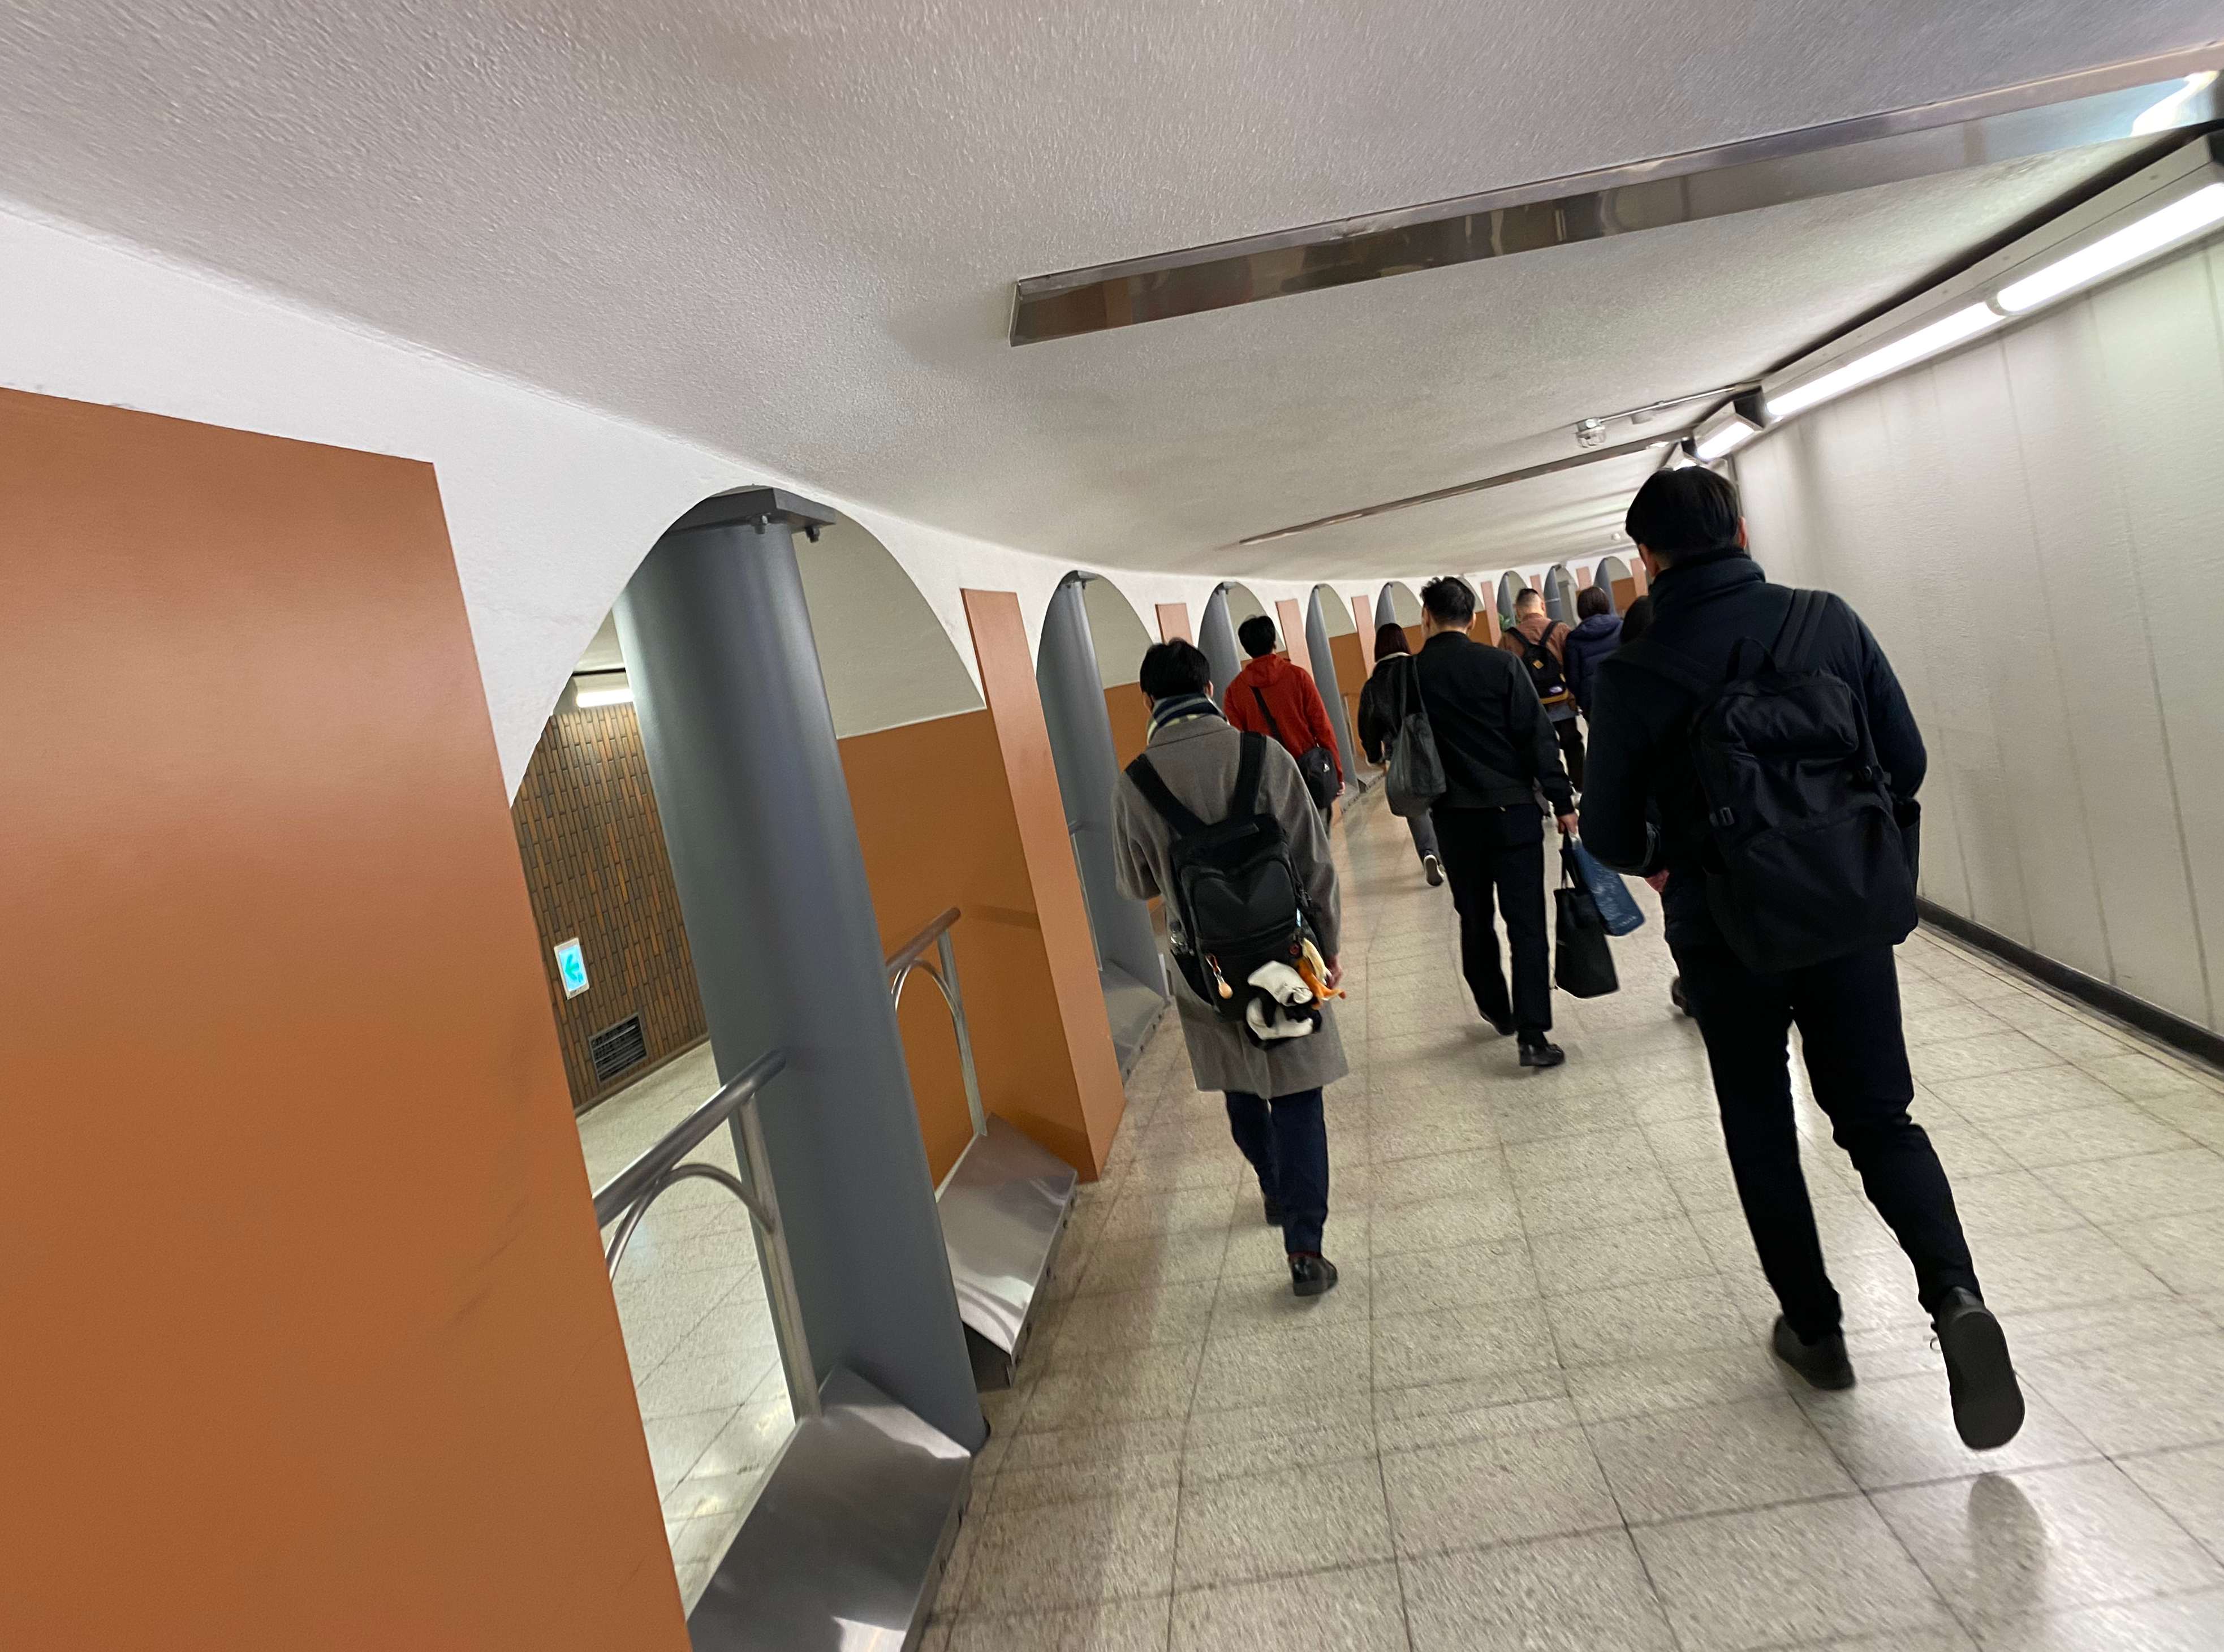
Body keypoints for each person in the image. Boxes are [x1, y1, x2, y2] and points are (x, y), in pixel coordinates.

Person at [1580, 466, 2023, 1451]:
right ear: (1741, 531)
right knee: (1878, 1117)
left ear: (1647, 559)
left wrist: (1665, 855)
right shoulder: (1827, 620)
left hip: (1724, 930)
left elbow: (1608, 832)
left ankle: (1816, 1332)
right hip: (1847, 913)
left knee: (1760, 1123)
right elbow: (1905, 761)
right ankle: (1954, 1295)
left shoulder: (1634, 673)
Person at [1112, 640, 1347, 1297]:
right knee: (1297, 1092)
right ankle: (1305, 1247)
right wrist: (1326, 946)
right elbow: (1314, 860)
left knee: (1242, 1086)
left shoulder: (1133, 781)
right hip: (1285, 953)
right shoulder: (1261, 754)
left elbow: (1134, 882)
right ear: (1210, 688)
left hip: (1205, 967)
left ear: (1148, 700)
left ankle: (1272, 1185)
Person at [1412, 576, 1577, 1068]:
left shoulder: (1411, 675)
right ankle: (1533, 1034)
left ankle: (1496, 1008)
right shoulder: (1501, 664)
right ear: (1473, 618)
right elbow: (1537, 736)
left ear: (1426, 617)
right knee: (1527, 924)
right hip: (1514, 814)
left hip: (1454, 819)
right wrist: (1561, 800)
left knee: (1475, 918)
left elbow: (1381, 735)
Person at [1223, 614, 1343, 827]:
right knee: (1318, 836)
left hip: (1269, 781)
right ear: (1274, 642)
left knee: (1284, 840)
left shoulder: (1234, 691)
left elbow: (1239, 744)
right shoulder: (1298, 676)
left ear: (1246, 648)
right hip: (1310, 773)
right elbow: (1322, 727)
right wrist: (1336, 772)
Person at [1356, 623, 1443, 886]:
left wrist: (1374, 755)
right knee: (1439, 797)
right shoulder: (1420, 667)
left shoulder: (1373, 685)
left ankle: (1428, 853)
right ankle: (1447, 849)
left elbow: (1368, 726)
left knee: (1414, 803)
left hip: (1399, 751)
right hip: (1432, 744)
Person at [1499, 588, 1585, 790]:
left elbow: (1503, 676)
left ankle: (1556, 794)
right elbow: (1574, 665)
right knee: (1572, 743)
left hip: (1532, 707)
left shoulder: (1508, 639)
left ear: (1518, 611)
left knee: (1543, 752)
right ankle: (1581, 788)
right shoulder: (1560, 630)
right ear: (1543, 606)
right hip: (1563, 700)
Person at [1562, 584, 1622, 716]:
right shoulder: (1621, 627)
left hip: (1594, 702)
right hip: (1624, 692)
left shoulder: (1574, 639)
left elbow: (1573, 679)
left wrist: (1583, 700)